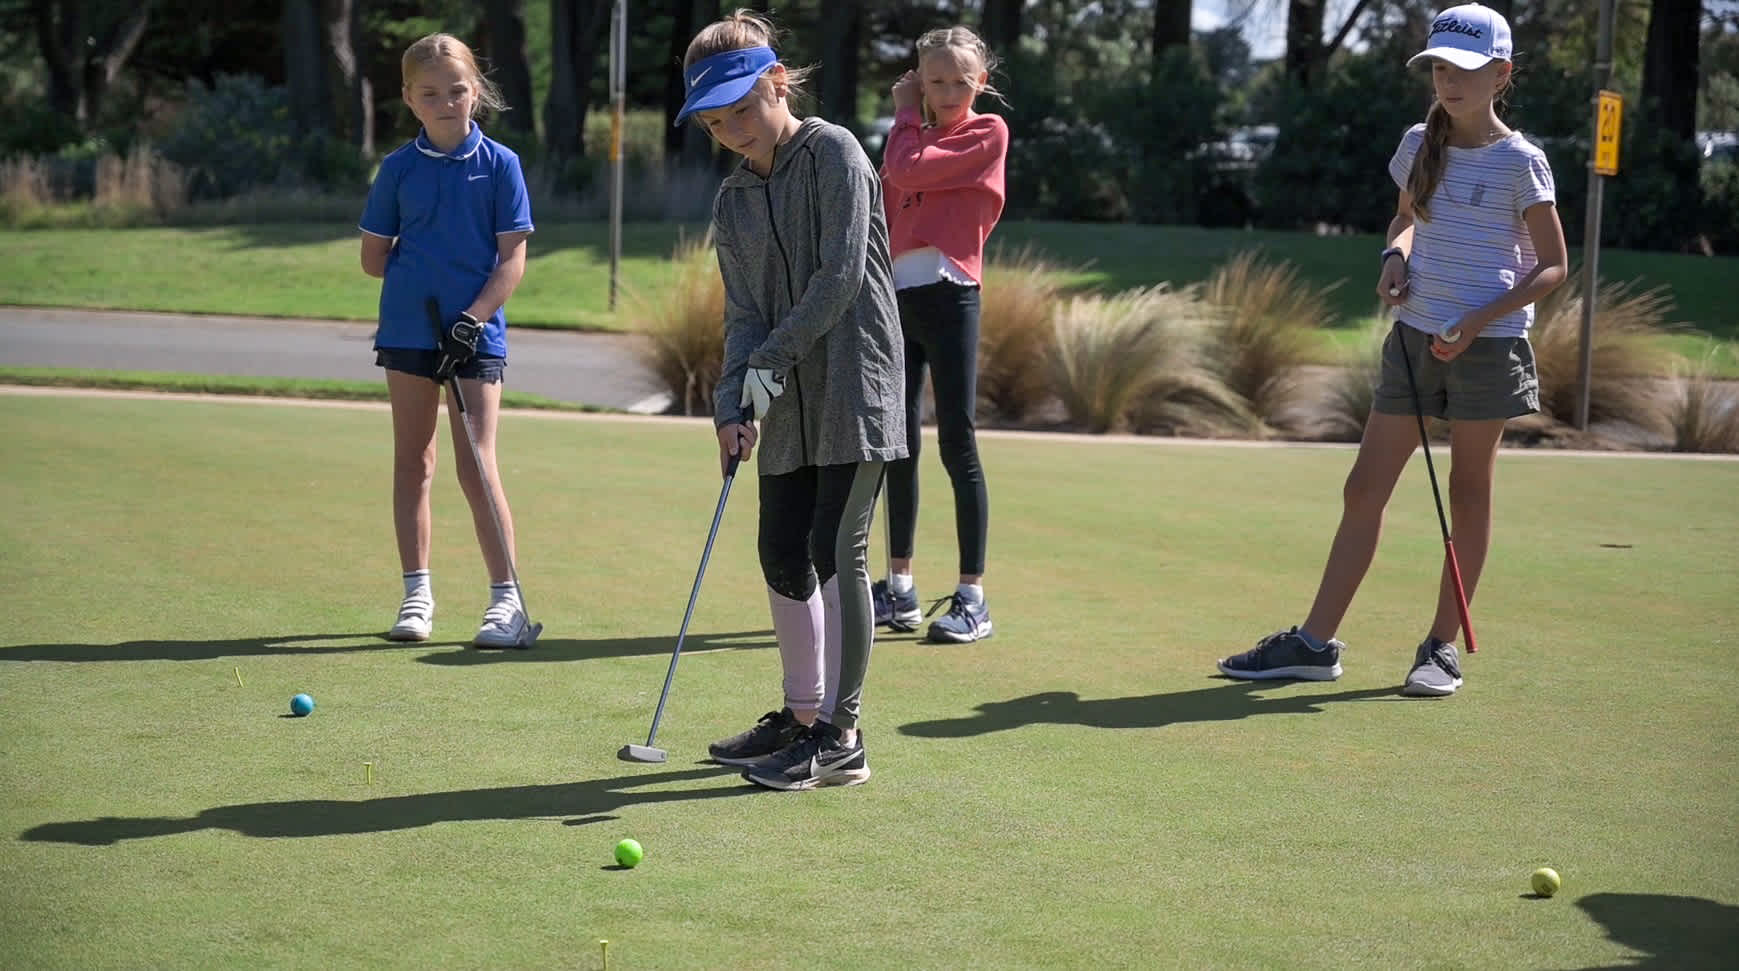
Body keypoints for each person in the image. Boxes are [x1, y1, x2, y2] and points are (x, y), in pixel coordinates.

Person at [1216, 3, 1566, 696]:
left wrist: (1476, 319)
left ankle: (1438, 648)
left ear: (1500, 74)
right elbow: (1405, 221)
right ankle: (1313, 644)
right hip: (1413, 338)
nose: (1447, 80)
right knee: (1363, 487)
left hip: (1487, 346)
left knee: (1468, 495)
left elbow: (1552, 266)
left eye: (1464, 69)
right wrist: (1393, 259)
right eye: (1437, 67)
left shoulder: (1521, 162)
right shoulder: (1418, 142)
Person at [676, 10, 907, 789]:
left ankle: (842, 736)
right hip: (781, 399)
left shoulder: (835, 152)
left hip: (853, 388)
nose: (731, 129)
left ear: (778, 82)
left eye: (741, 108)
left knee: (836, 552)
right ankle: (802, 716)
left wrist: (766, 364)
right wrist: (731, 402)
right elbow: (744, 311)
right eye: (713, 121)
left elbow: (838, 278)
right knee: (781, 548)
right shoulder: (733, 200)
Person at [358, 33, 536, 648]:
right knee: (415, 463)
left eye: (457, 90)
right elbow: (372, 259)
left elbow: (512, 259)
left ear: (475, 92)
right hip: (409, 329)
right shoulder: (398, 170)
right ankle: (416, 596)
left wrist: (474, 317)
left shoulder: (501, 165)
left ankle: (506, 603)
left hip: (476, 335)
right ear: (410, 100)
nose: (446, 102)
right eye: (430, 93)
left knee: (476, 465)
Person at [873, 26, 1009, 645]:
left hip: (953, 296)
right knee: (897, 442)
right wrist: (908, 123)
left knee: (957, 442)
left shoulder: (987, 132)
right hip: (899, 297)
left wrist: (904, 113)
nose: (950, 91)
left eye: (961, 80)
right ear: (920, 80)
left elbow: (906, 168)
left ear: (981, 81)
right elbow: (890, 186)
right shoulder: (912, 136)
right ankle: (899, 588)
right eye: (936, 81)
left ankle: (973, 597)